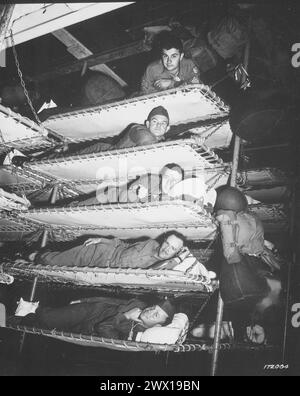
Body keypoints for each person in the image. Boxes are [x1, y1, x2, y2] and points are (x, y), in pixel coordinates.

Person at [4, 297, 178, 342]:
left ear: (158, 325)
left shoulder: (136, 335)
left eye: (156, 315)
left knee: (37, 325)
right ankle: (31, 308)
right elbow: (110, 301)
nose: (150, 311)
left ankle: (20, 313)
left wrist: (126, 316)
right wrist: (85, 300)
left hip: (84, 330)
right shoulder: (139, 304)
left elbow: (104, 329)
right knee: (49, 318)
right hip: (90, 310)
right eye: (153, 307)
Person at [28, 232, 185, 269]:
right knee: (51, 261)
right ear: (163, 240)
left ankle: (36, 254)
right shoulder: (150, 242)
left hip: (102, 267)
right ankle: (33, 254)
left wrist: (181, 257)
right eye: (168, 243)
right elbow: (123, 244)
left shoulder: (157, 267)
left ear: (175, 253)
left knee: (58, 263)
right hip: (101, 251)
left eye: (173, 248)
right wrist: (101, 240)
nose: (167, 249)